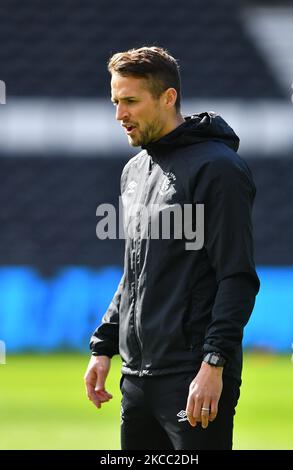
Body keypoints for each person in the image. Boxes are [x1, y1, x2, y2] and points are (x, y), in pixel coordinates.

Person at [84, 46, 260, 450]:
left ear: (168, 97)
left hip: (192, 376)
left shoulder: (218, 168)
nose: (119, 114)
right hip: (137, 378)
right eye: (115, 101)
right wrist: (104, 346)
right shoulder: (134, 171)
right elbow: (136, 272)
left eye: (130, 101)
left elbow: (237, 276)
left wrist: (214, 363)